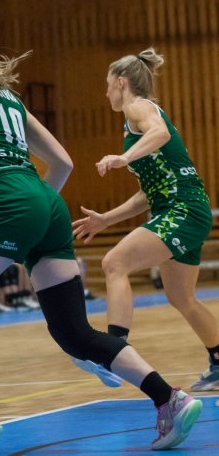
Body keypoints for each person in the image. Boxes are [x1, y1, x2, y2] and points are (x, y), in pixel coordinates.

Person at [0, 13, 202, 454]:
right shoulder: (7, 96)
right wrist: (37, 210)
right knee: (73, 332)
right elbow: (63, 162)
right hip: (48, 204)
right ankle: (169, 399)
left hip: (11, 200)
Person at [72, 48, 219, 392]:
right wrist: (106, 219)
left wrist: (124, 157)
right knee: (181, 297)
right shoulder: (139, 117)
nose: (106, 92)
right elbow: (147, 193)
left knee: (113, 263)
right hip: (183, 207)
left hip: (181, 208)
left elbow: (161, 134)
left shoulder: (139, 108)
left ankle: (112, 351)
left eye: (108, 85)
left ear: (121, 83)